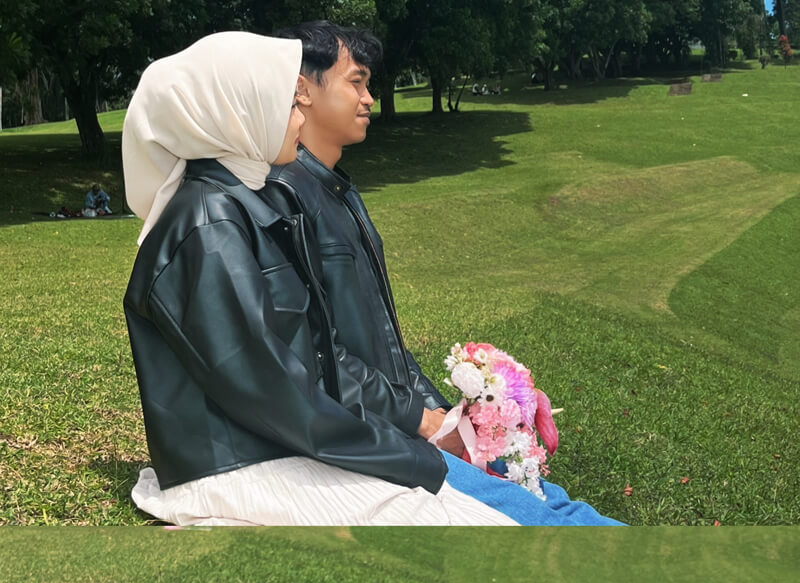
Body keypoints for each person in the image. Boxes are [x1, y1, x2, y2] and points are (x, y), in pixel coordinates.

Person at [122, 33, 527, 527]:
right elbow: (275, 393)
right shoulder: (208, 223)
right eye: (289, 105)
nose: (300, 119)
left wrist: (415, 430)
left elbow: (307, 361)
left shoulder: (236, 207)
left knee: (498, 509)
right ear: (238, 111)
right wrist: (407, 449)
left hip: (284, 446)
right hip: (247, 465)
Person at [266, 23, 619, 527]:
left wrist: (447, 414)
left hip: (395, 416)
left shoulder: (336, 189)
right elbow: (315, 353)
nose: (369, 98)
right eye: (356, 82)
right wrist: (423, 421)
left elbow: (383, 338)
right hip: (368, 433)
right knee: (540, 516)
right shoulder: (286, 196)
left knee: (544, 494)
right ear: (303, 88)